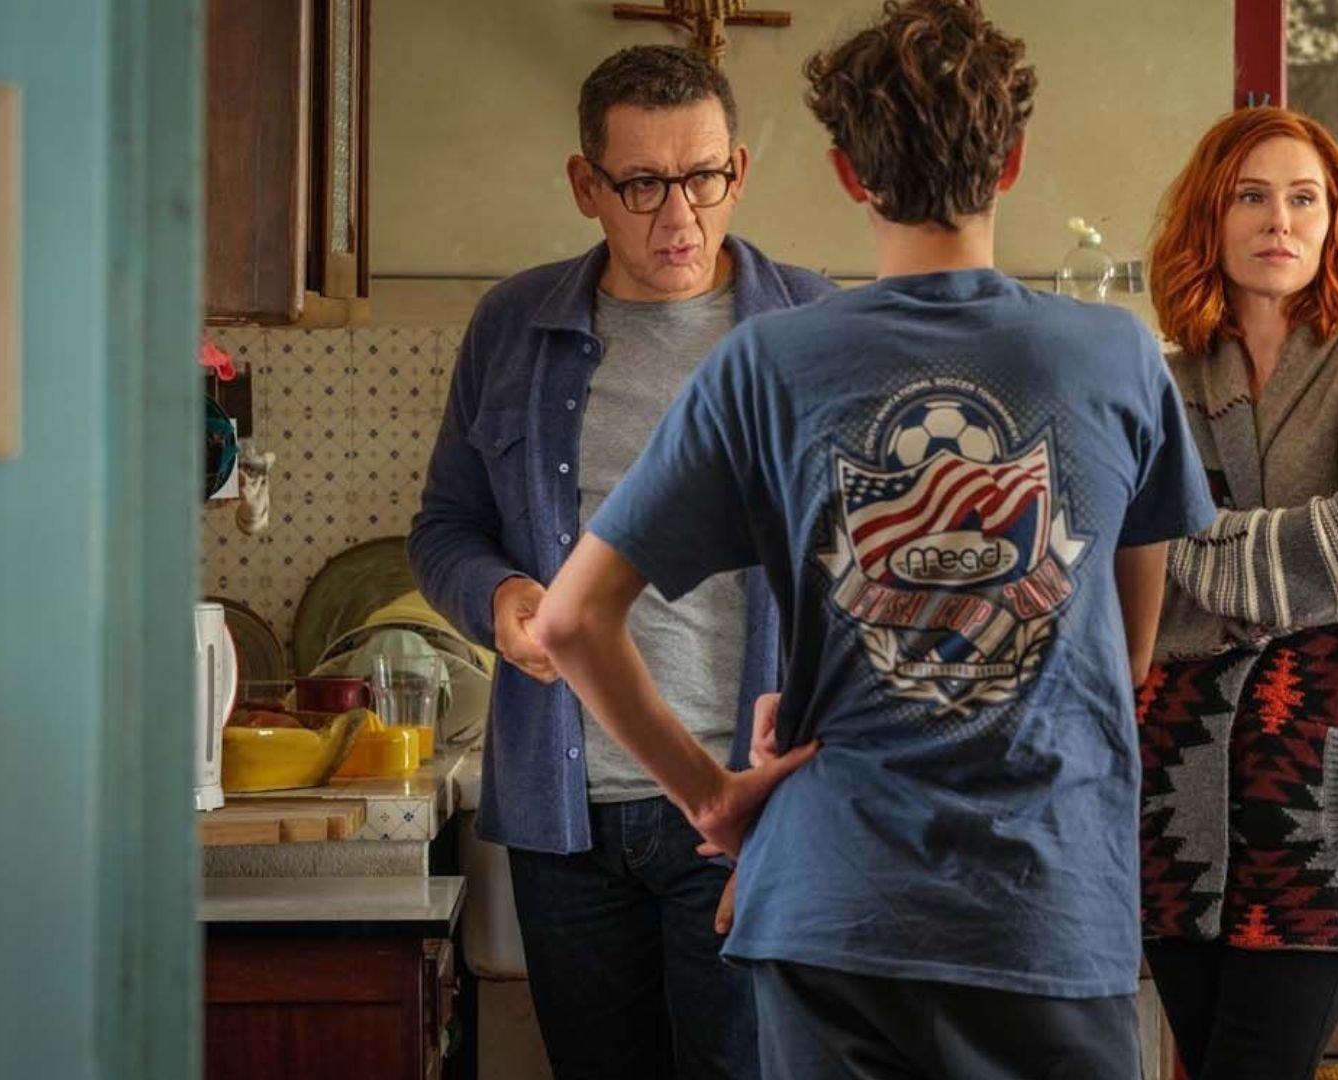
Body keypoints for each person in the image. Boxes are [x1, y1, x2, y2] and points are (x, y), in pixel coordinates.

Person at [530, 2, 1215, 1076]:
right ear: (1013, 161)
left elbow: (570, 620)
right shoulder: (1118, 358)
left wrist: (713, 798)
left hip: (831, 913)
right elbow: (1120, 663)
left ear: (849, 174)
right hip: (1045, 920)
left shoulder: (764, 364)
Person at [407, 44, 832, 1080]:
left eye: (702, 178)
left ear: (737, 170)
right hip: (566, 822)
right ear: (585, 184)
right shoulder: (514, 326)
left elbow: (871, 579)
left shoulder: (815, 329)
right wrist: (499, 598)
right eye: (642, 184)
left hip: (750, 809)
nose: (677, 215)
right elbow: (445, 526)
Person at [1135, 106, 1338, 1079]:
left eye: (1305, 199)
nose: (1280, 219)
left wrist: (1188, 547)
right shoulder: (1160, 387)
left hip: (1325, 796)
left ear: (1334, 220)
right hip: (1173, 795)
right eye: (1251, 197)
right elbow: (1121, 563)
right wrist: (1287, 574)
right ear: (1209, 218)